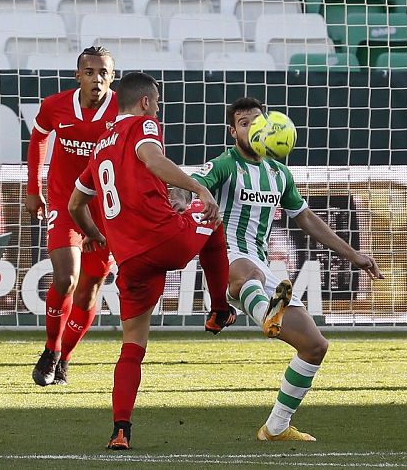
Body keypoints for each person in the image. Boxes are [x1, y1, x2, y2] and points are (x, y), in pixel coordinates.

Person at [191, 97, 385, 442]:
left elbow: (307, 219)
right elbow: (191, 180)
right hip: (226, 258)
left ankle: (276, 427)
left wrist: (354, 254)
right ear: (232, 131)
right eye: (244, 122)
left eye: (258, 121)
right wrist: (185, 196)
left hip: (262, 267)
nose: (253, 127)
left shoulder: (279, 174)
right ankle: (266, 315)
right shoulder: (225, 164)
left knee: (315, 346)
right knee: (247, 273)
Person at [68, 72, 235, 450]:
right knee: (213, 219)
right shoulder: (143, 126)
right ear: (145, 102)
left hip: (131, 261)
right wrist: (198, 188)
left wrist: (94, 235)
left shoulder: (100, 147)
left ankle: (120, 430)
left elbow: (75, 204)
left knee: (133, 345)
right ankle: (221, 309)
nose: (157, 109)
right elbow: (151, 157)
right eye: (156, 103)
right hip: (165, 240)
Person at [25, 46, 120, 386]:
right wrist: (33, 188)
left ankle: (64, 358)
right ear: (78, 75)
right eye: (90, 72)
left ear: (113, 77)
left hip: (105, 210)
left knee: (89, 290)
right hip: (66, 204)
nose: (97, 79)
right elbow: (38, 137)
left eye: (104, 73)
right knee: (65, 278)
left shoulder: (122, 110)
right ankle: (51, 349)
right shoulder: (55, 106)